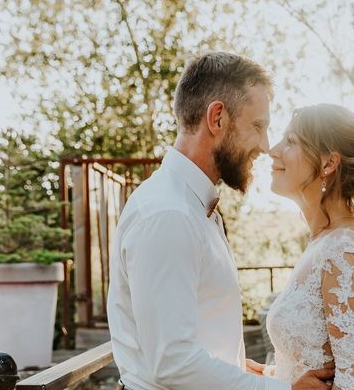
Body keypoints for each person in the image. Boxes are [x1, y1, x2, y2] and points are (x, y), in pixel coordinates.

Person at [107, 52, 333, 390]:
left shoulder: (193, 206)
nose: (265, 146)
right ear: (217, 118)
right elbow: (172, 362)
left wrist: (242, 370)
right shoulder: (168, 214)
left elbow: (196, 333)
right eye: (258, 126)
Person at [265, 104, 354, 390]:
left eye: (290, 142)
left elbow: (351, 385)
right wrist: (265, 376)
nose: (272, 150)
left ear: (327, 163)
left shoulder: (345, 253)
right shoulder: (323, 242)